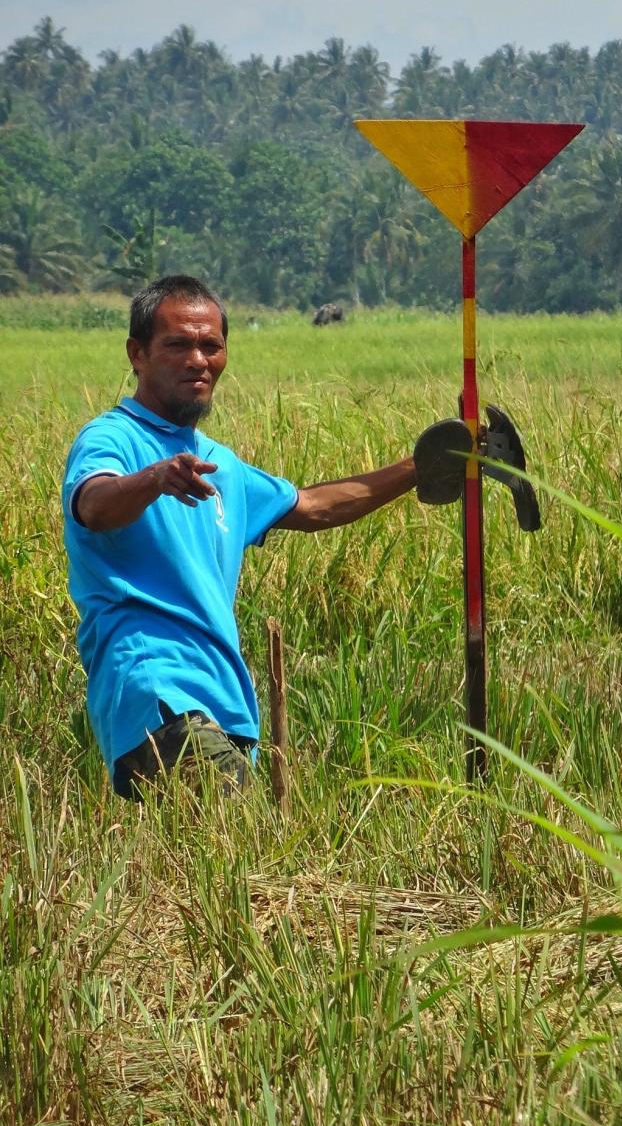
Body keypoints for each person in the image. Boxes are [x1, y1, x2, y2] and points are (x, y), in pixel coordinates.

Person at [63, 274, 469, 799]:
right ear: (137, 354)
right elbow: (92, 505)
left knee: (219, 866)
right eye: (177, 345)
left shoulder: (222, 466)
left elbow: (315, 506)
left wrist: (424, 466)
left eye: (211, 346)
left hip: (224, 699)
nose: (198, 360)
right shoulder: (112, 438)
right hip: (154, 688)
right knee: (239, 840)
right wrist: (155, 479)